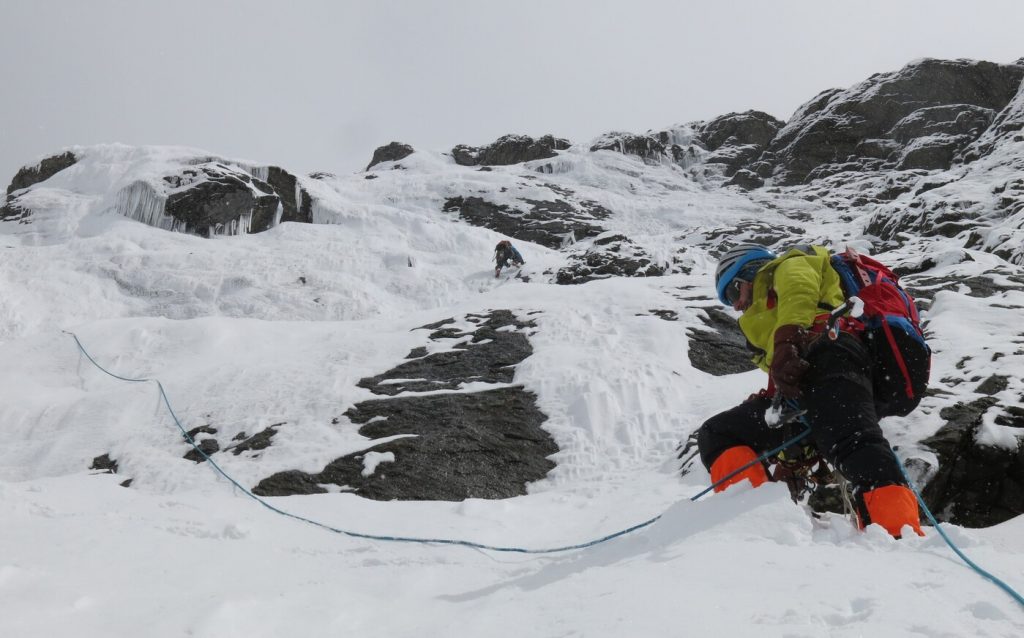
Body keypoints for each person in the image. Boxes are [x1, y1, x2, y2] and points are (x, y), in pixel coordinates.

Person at [695, 243, 928, 538]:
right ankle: (751, 521)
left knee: (854, 442)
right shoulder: (767, 326)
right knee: (719, 433)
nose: (737, 307)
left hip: (832, 351)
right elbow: (784, 375)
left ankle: (898, 534)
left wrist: (785, 341)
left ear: (750, 274)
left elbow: (799, 291)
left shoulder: (788, 265)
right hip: (810, 380)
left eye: (732, 293)